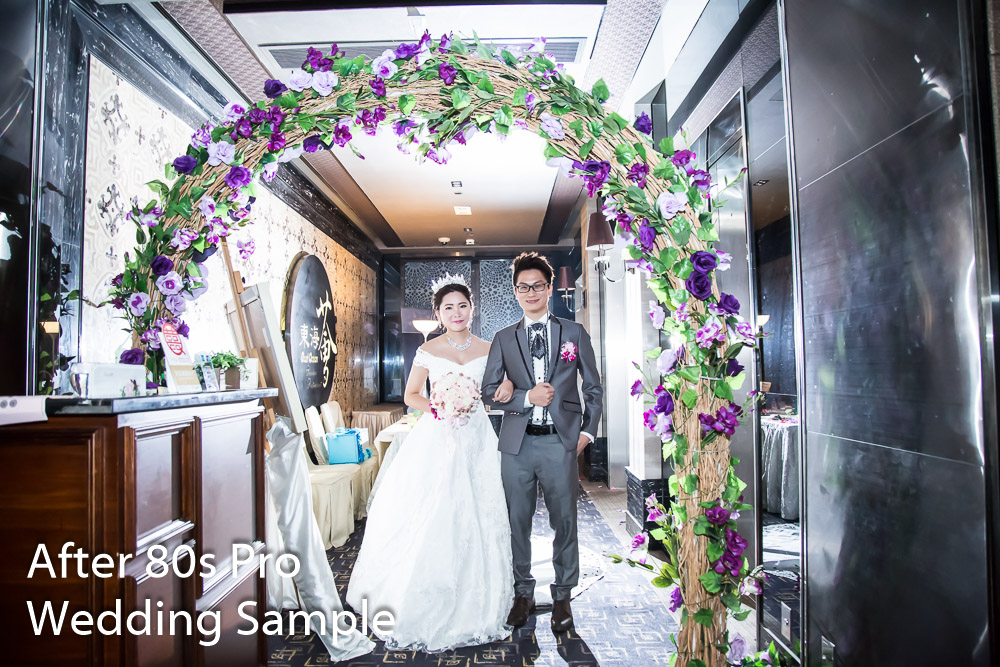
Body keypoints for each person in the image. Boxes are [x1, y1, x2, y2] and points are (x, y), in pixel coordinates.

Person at [346, 275, 516, 652]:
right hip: (438, 437)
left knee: (482, 508)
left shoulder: (491, 348)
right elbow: (411, 396)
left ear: (472, 309)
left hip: (478, 437)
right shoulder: (428, 350)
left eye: (462, 306)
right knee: (436, 507)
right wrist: (441, 407)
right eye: (448, 308)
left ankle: (482, 592)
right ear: (438, 313)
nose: (456, 313)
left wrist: (498, 392)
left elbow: (500, 390)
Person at [482, 252, 604, 634]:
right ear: (515, 292)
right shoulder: (504, 338)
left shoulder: (573, 333)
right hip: (516, 445)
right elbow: (487, 391)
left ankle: (563, 595)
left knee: (564, 521)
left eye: (537, 285)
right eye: (523, 287)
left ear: (549, 289)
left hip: (559, 443)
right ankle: (523, 593)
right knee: (515, 522)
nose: (530, 292)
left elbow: (593, 388)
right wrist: (524, 398)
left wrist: (586, 433)